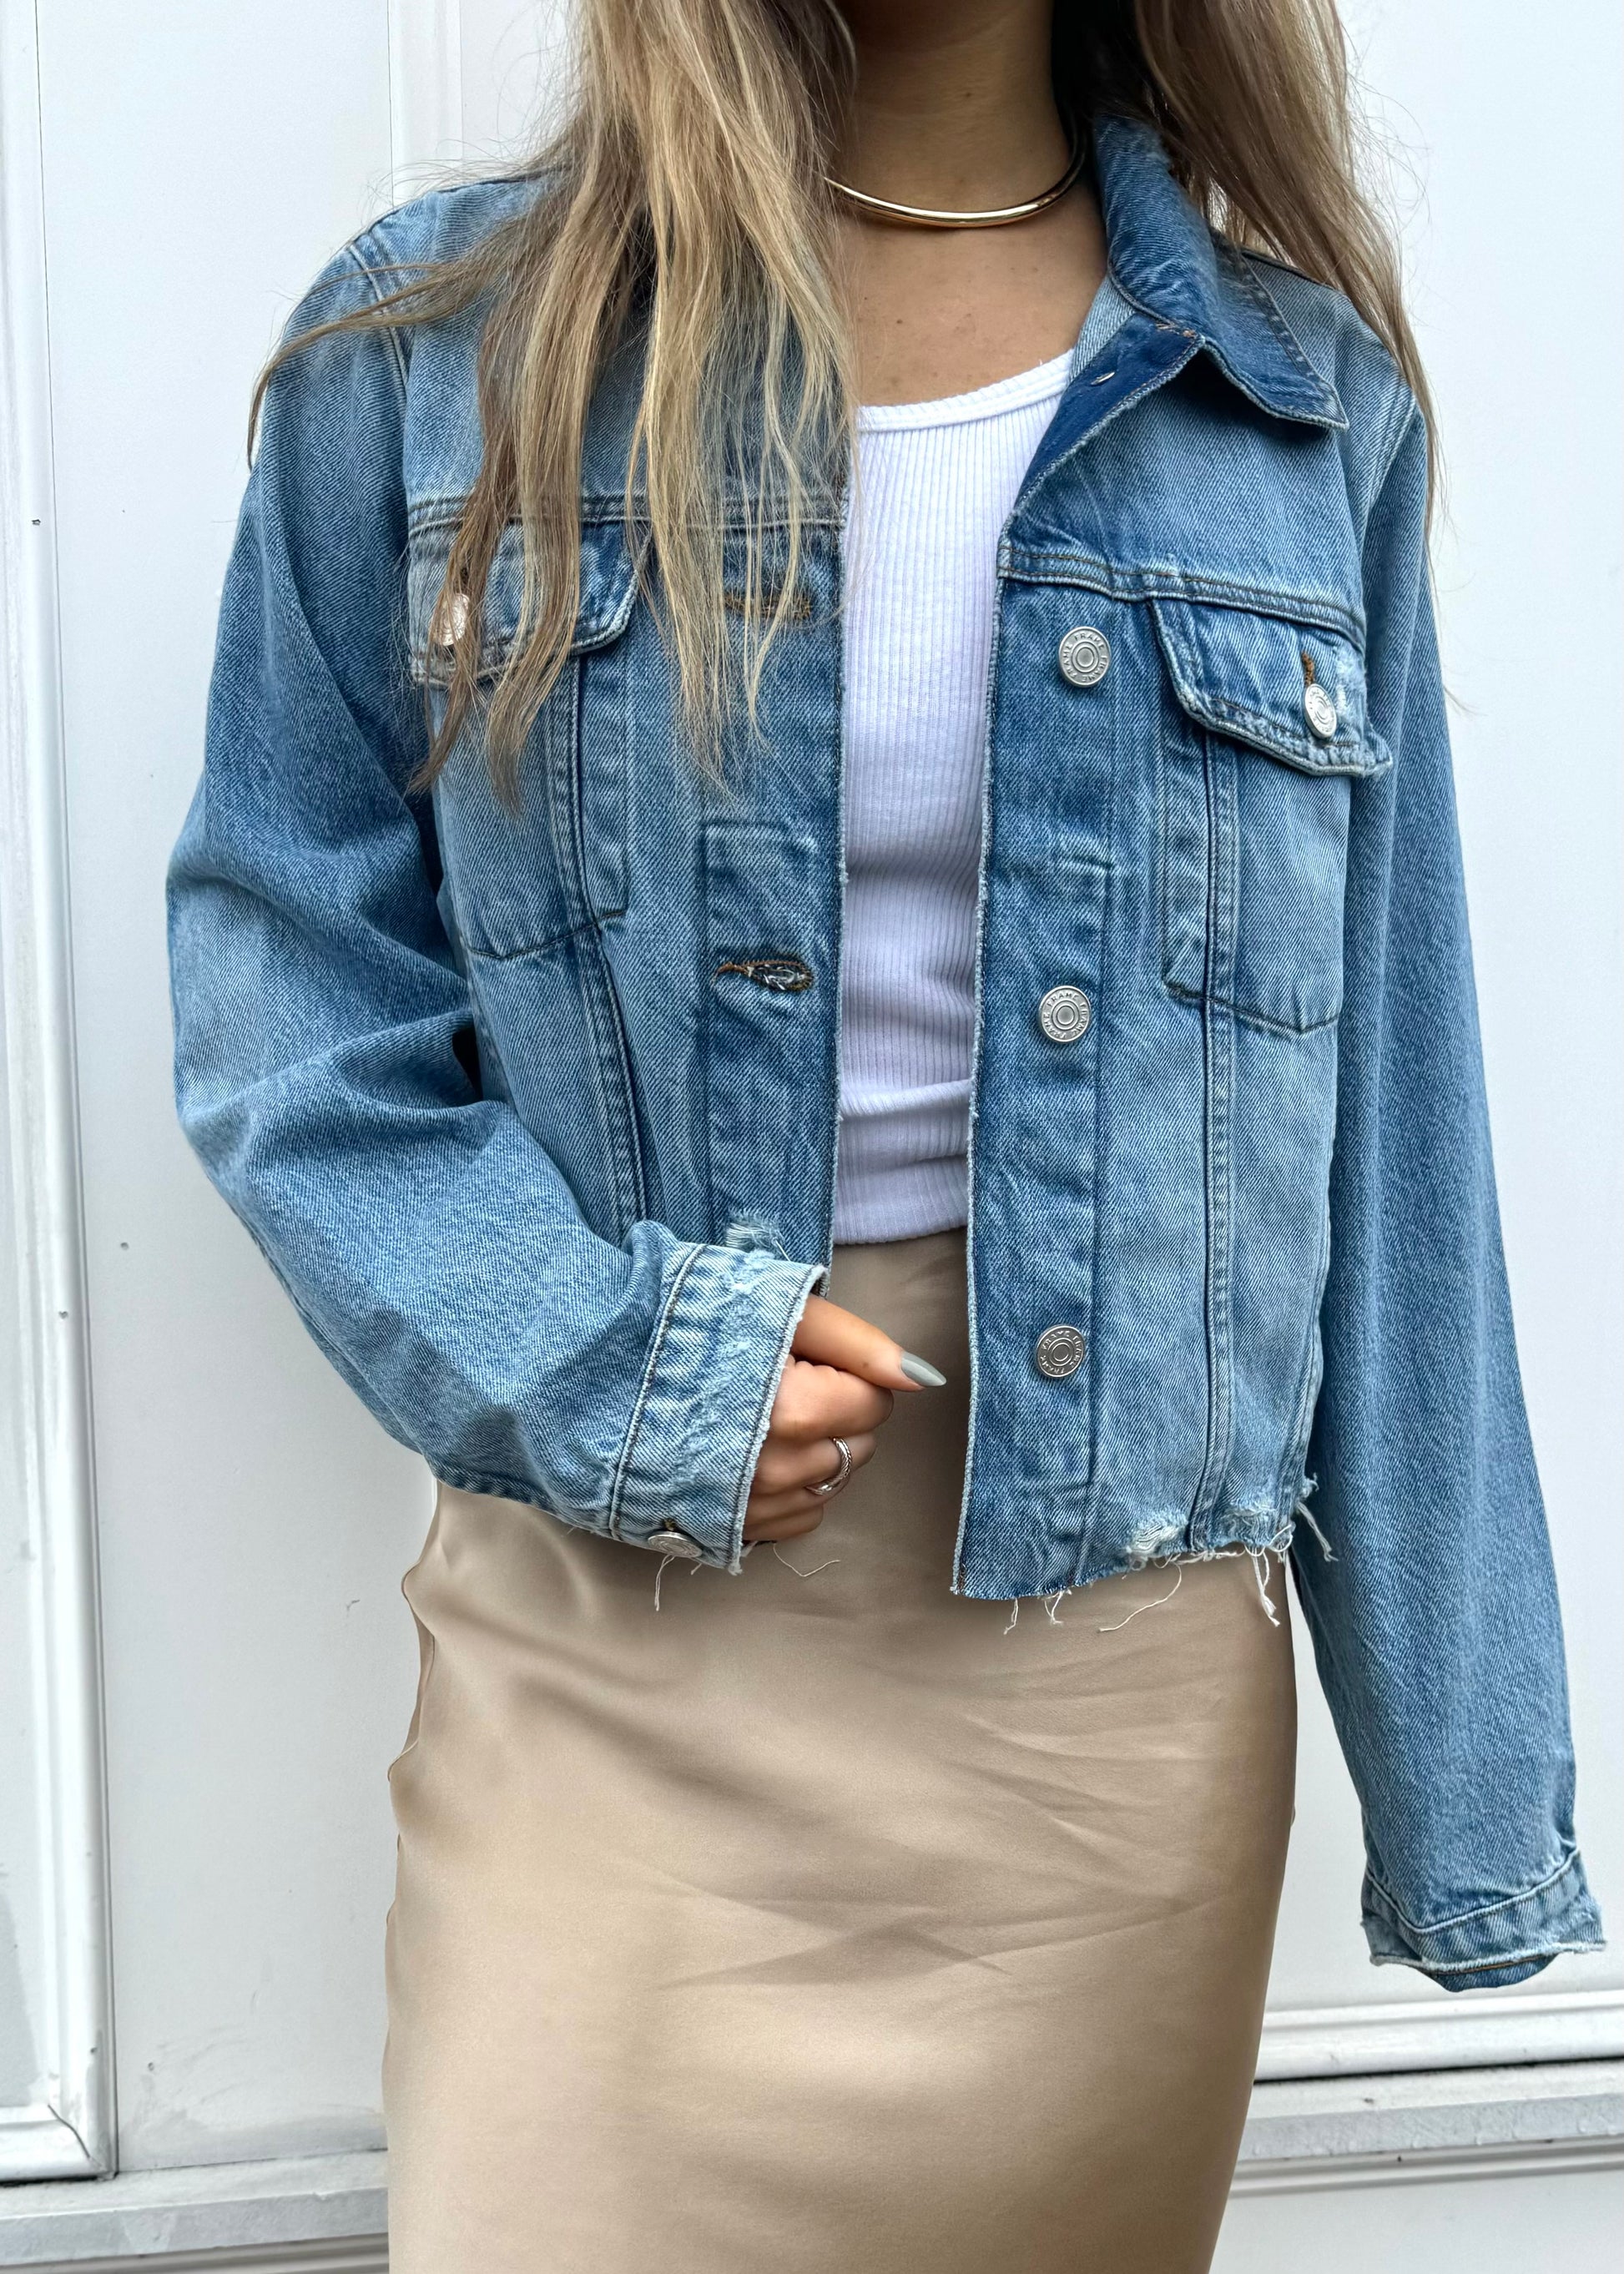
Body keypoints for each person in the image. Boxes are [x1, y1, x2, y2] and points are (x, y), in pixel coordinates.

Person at [166, 3, 1601, 2267]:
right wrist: (605, 1366)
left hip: (1099, 1728)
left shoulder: (1292, 400)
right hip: (621, 1652)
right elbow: (287, 1022)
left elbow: (1392, 1126)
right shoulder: (428, 358)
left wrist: (1466, 1795)